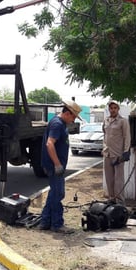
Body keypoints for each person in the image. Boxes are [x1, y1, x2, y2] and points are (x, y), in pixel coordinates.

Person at [38, 100, 82, 233]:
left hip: (55, 165)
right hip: (54, 165)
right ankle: (57, 224)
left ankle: (45, 221)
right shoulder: (57, 124)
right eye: (73, 117)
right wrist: (57, 164)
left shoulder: (60, 123)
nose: (73, 120)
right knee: (58, 193)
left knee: (54, 193)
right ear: (67, 113)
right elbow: (49, 144)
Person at [102, 100, 131, 204]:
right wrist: (103, 148)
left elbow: (127, 137)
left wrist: (126, 152)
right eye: (111, 108)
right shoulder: (106, 120)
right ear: (109, 109)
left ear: (118, 109)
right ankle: (111, 199)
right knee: (109, 178)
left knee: (118, 180)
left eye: (115, 108)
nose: (113, 110)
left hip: (118, 154)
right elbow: (105, 135)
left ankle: (119, 201)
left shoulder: (123, 121)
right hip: (107, 153)